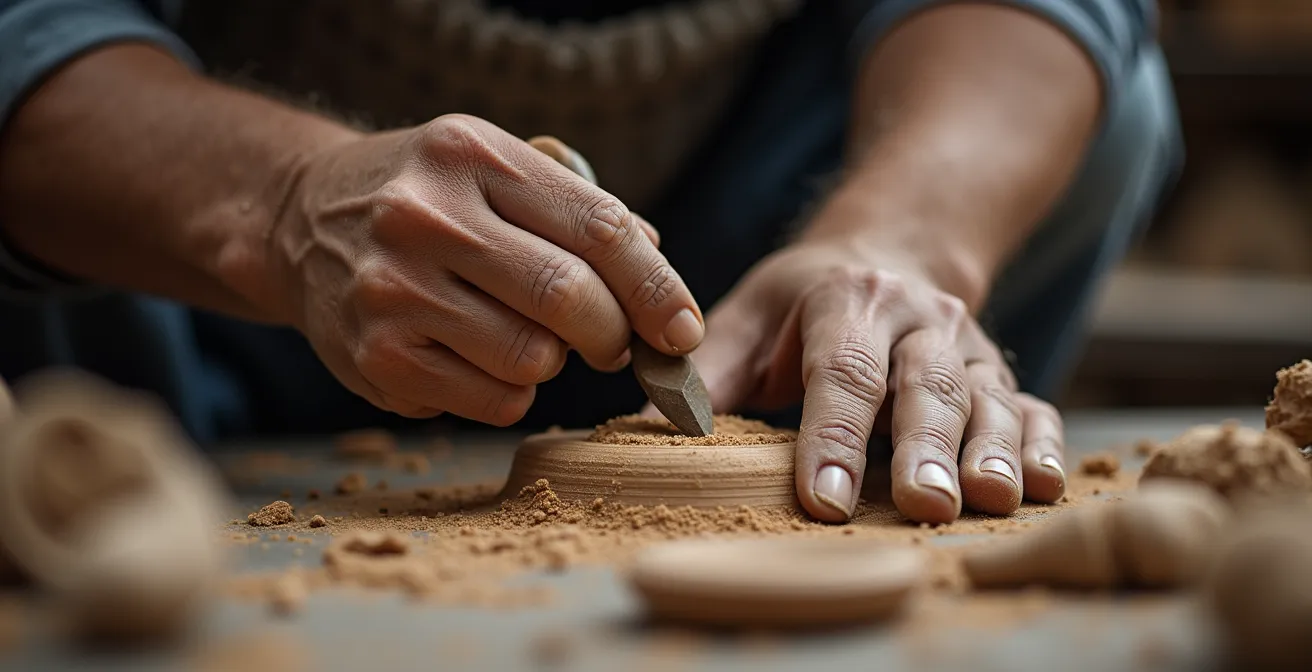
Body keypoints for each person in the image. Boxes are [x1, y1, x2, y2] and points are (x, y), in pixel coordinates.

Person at [0, 0, 1180, 525]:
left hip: (758, 259)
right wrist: (275, 205)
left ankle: (867, 391)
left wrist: (899, 235)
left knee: (1108, 104)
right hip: (207, 294)